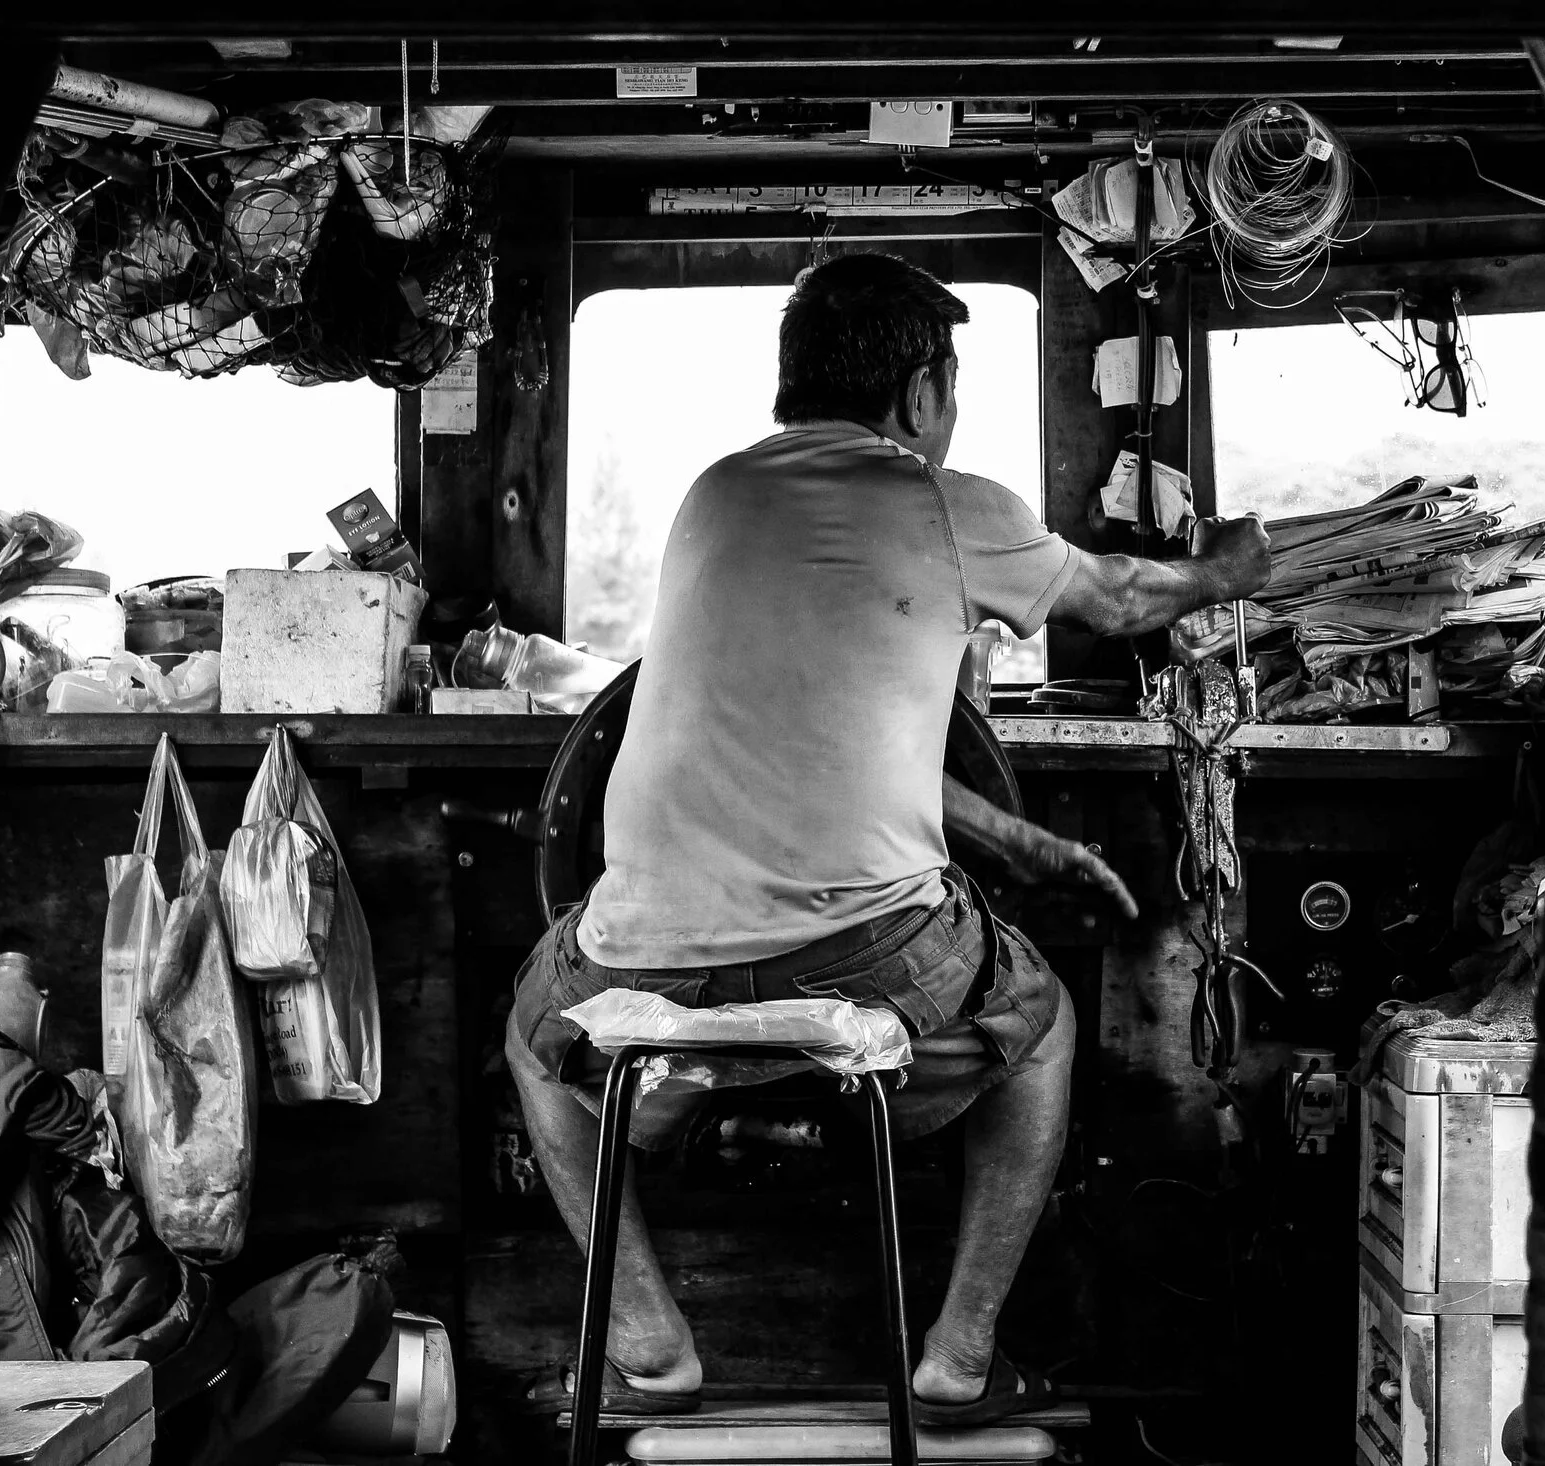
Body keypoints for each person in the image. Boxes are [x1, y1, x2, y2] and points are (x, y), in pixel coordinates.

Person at [506, 251, 1272, 1425]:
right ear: (922, 391)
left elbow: (808, 739)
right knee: (1045, 1028)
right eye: (949, 391)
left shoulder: (712, 495)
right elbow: (1121, 599)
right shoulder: (946, 504)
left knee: (535, 1035)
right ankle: (958, 1358)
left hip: (642, 960)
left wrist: (1001, 835)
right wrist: (1228, 567)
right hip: (864, 956)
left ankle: (649, 1341)